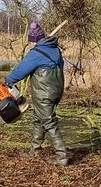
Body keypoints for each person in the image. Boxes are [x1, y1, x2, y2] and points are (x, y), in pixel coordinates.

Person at [5, 22, 68, 166]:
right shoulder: (55, 50)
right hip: (56, 90)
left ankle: (62, 156)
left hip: (43, 92)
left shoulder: (36, 53)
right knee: (38, 117)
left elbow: (21, 71)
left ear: (33, 40)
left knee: (49, 121)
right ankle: (35, 149)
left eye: (31, 42)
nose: (31, 44)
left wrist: (8, 80)